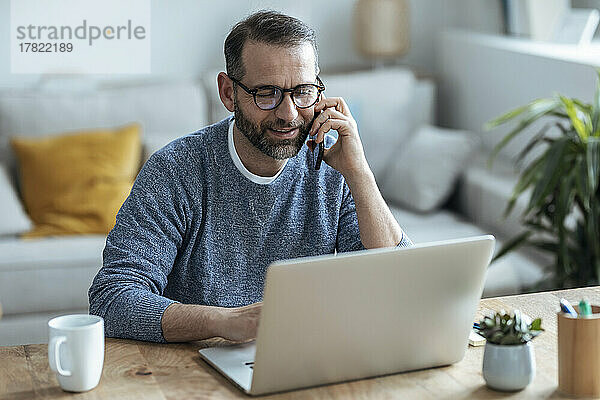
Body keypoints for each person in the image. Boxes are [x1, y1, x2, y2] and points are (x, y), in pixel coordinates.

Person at [89, 10, 412, 343]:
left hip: (304, 356)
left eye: (302, 91)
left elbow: (397, 285)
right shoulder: (175, 170)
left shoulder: (333, 163)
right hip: (194, 368)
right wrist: (221, 322)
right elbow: (111, 299)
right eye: (266, 93)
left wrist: (359, 173)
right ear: (229, 93)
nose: (288, 114)